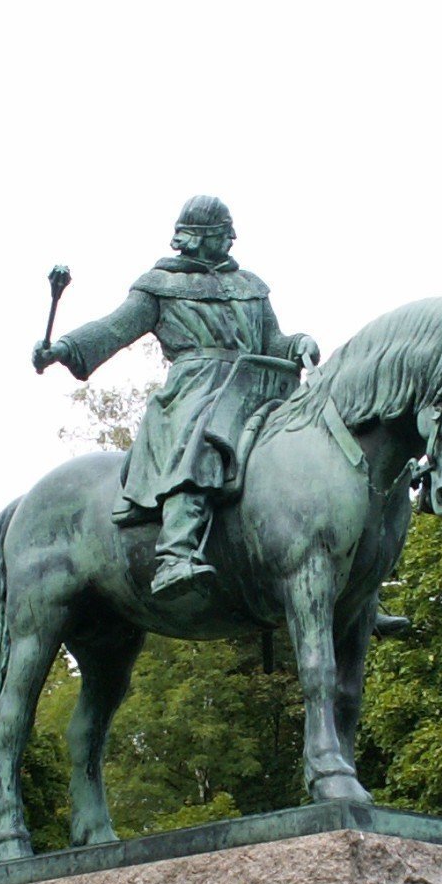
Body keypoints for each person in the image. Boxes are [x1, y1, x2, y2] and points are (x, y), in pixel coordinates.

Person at [34, 195, 319, 598]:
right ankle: (175, 552)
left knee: (309, 444)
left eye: (230, 232)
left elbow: (273, 340)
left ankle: (345, 583)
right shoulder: (161, 284)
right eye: (221, 233)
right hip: (198, 389)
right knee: (201, 440)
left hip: (259, 385)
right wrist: (64, 347)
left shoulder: (249, 286)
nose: (230, 241)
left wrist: (298, 344)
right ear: (196, 237)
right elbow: (114, 329)